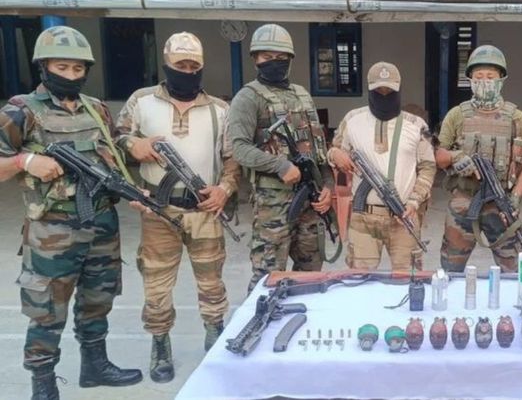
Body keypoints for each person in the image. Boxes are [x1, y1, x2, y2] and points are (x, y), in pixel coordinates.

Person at [0, 26, 142, 399]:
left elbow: (112, 155)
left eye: (78, 69)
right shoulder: (20, 110)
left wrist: (132, 182)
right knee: (47, 309)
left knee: (99, 298)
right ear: (44, 66)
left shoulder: (96, 108)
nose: (71, 75)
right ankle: (43, 384)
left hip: (101, 222)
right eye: (62, 67)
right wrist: (24, 161)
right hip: (52, 230)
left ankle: (95, 366)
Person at [116, 32, 241, 382]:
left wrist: (225, 189)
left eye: (192, 66)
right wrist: (133, 145)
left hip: (205, 210)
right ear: (167, 65)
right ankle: (160, 344)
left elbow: (232, 158)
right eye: (180, 65)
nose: (187, 71)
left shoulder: (220, 109)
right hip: (157, 210)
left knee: (212, 281)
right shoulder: (141, 101)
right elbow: (112, 140)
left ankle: (214, 334)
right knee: (157, 284)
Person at [227, 24, 333, 292]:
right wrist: (279, 165)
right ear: (255, 58)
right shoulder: (248, 97)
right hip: (273, 205)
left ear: (290, 59)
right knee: (268, 276)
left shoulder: (302, 94)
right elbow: (240, 148)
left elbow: (318, 148)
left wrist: (328, 187)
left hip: (310, 200)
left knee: (311, 273)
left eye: (281, 57)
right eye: (267, 56)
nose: (274, 62)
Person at [435, 45, 522, 272]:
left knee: (513, 268)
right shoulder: (457, 114)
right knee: (451, 268)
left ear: (501, 79)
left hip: (500, 202)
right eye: (479, 76)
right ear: (470, 79)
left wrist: (515, 199)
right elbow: (440, 156)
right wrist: (456, 157)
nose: (484, 81)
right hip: (464, 200)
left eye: (490, 76)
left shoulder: (517, 118)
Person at [328, 62, 436, 270]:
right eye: (378, 92)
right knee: (360, 279)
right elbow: (333, 150)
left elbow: (428, 167)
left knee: (407, 279)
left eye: (390, 92)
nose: (384, 96)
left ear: (399, 90)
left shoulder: (416, 124)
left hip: (404, 215)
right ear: (369, 90)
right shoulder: (352, 119)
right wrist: (335, 154)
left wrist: (414, 201)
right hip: (363, 218)